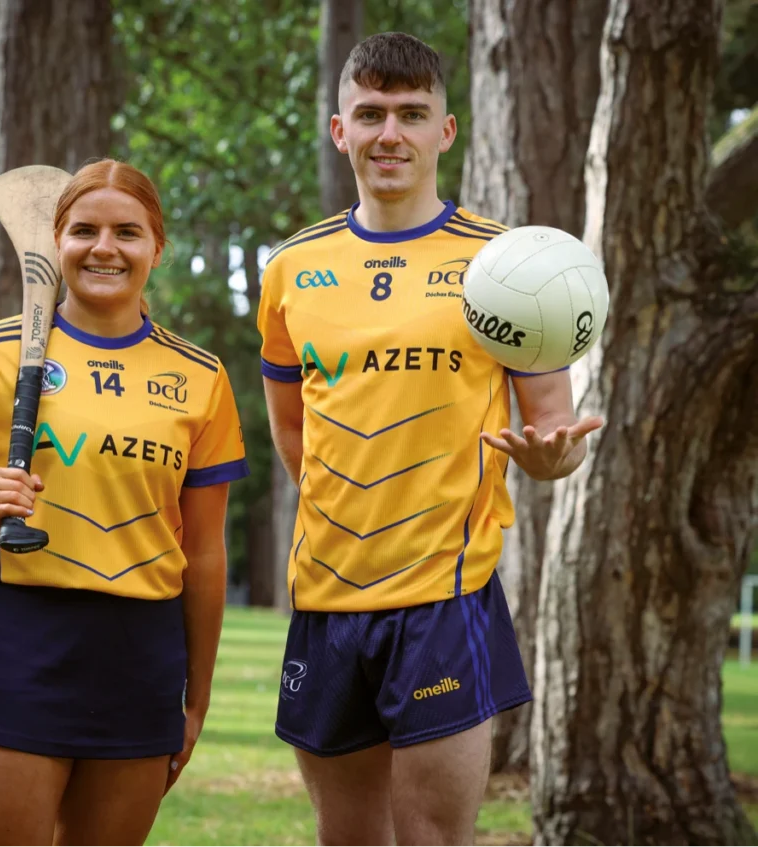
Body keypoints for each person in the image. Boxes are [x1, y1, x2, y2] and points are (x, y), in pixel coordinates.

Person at [257, 33, 604, 847]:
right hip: (327, 597)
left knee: (432, 839)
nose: (391, 134)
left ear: (446, 132)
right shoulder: (292, 268)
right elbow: (289, 422)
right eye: (370, 113)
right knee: (348, 838)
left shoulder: (506, 262)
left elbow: (553, 422)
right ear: (338, 130)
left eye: (413, 114)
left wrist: (558, 456)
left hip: (446, 598)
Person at [0, 158, 249, 847]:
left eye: (128, 231)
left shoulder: (201, 377)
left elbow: (204, 553)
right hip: (12, 642)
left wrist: (197, 695)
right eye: (84, 229)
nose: (104, 247)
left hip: (139, 655)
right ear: (55, 241)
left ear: (158, 247)